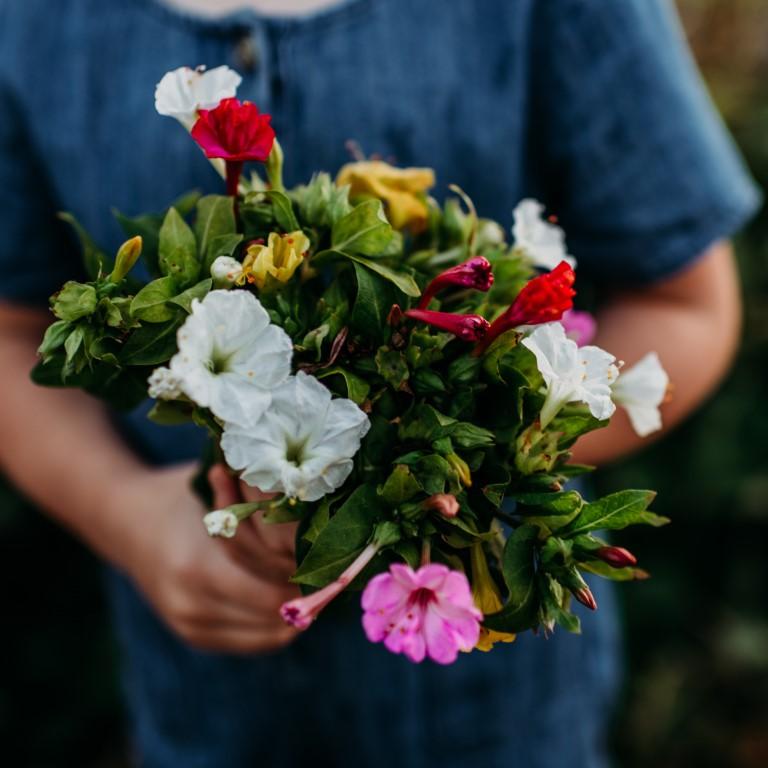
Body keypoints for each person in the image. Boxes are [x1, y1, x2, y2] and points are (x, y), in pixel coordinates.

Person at [0, 0, 759, 765]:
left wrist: (479, 469)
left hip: (503, 720)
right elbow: (10, 334)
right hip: (201, 708)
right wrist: (128, 515)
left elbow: (686, 304)